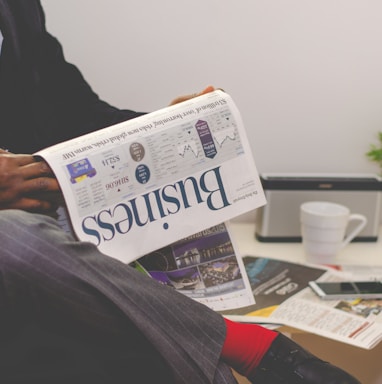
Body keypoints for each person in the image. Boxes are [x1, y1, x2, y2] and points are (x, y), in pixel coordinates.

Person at [0, 1, 361, 383]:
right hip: (23, 239)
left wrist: (165, 127)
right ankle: (260, 350)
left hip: (58, 231)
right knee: (13, 236)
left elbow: (78, 113)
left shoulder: (19, 7)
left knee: (149, 331)